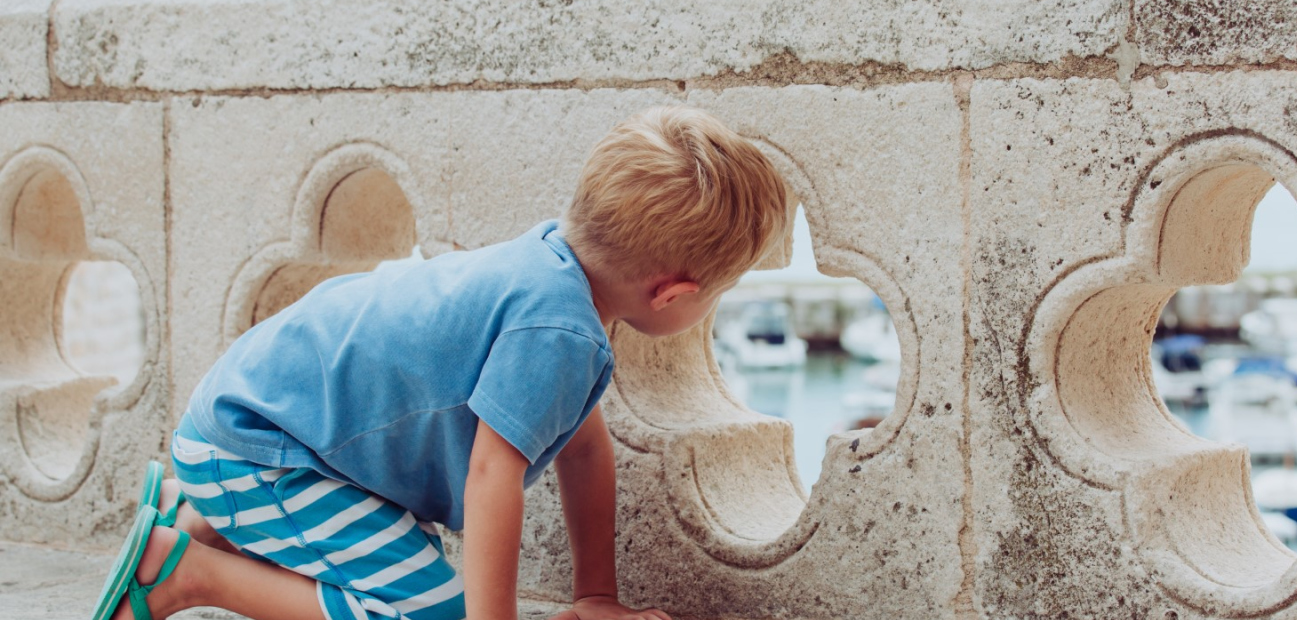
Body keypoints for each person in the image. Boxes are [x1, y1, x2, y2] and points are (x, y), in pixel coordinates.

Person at [91, 105, 791, 620]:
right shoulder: (562, 332)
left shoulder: (547, 264)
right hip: (259, 450)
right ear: (673, 293)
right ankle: (184, 572)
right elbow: (493, 476)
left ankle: (200, 516)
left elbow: (582, 452)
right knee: (426, 614)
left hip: (258, 422)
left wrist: (595, 596)